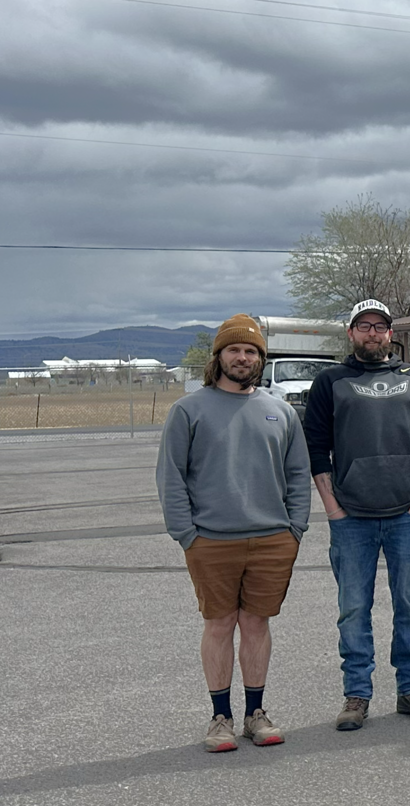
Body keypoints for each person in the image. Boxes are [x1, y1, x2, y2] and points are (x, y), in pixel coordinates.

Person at [156, 314, 311, 752]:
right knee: (220, 624)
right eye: (234, 350)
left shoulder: (279, 411)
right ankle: (220, 717)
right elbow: (171, 477)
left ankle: (255, 714)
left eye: (251, 351)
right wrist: (186, 533)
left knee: (256, 623)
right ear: (219, 356)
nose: (242, 357)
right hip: (210, 540)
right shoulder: (189, 410)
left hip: (271, 539)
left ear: (260, 360)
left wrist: (294, 528)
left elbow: (298, 474)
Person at [304, 299, 410, 731]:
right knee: (353, 608)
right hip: (352, 517)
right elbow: (315, 447)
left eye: (380, 326)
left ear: (390, 334)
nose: (372, 333)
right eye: (363, 326)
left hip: (408, 512)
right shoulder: (331, 381)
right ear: (351, 334)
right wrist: (332, 508)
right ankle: (356, 695)